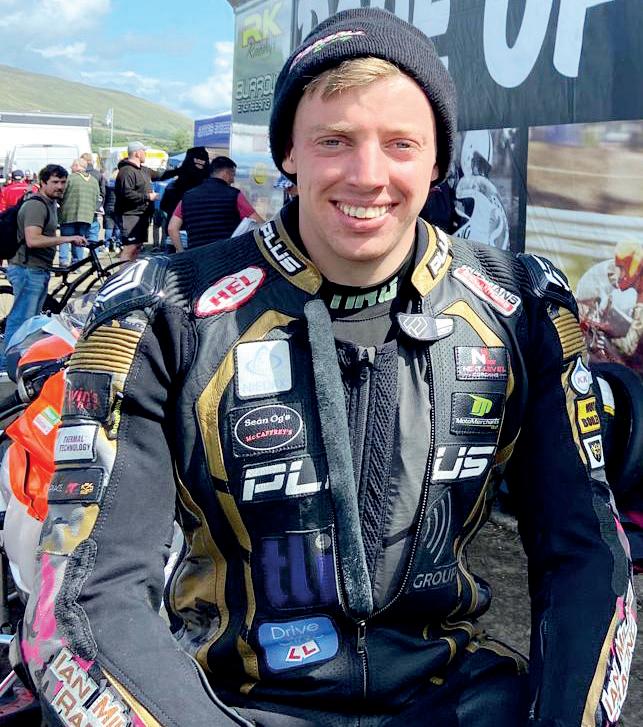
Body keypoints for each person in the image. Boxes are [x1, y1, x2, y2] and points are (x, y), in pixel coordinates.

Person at [21, 9, 634, 727]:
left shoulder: (522, 307)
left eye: (400, 143)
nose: (367, 176)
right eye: (334, 140)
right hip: (237, 705)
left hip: (455, 699)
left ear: (437, 160)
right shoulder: (160, 312)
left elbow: (586, 553)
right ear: (290, 151)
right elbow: (86, 598)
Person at [1, 165, 86, 368]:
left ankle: (21, 360)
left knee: (30, 320)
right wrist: (67, 238)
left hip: (37, 269)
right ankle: (6, 364)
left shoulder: (50, 203)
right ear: (43, 183)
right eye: (55, 182)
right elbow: (33, 240)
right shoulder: (36, 206)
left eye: (63, 182)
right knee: (21, 320)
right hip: (27, 269)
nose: (60, 186)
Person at [168, 155, 263, 251]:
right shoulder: (235, 195)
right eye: (233, 175)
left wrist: (181, 251)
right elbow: (258, 223)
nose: (233, 180)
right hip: (225, 255)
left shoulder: (187, 197)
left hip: (197, 256)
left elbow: (172, 228)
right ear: (226, 173)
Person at [113, 140, 157, 261]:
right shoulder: (126, 171)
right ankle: (123, 272)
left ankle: (131, 270)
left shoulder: (143, 170)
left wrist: (181, 170)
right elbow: (127, 194)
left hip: (141, 215)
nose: (145, 154)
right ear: (137, 153)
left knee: (136, 247)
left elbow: (161, 175)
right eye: (144, 151)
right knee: (130, 247)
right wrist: (147, 197)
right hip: (129, 215)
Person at [57, 158, 100, 266]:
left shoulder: (70, 178)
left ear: (77, 166)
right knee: (80, 239)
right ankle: (77, 263)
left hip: (68, 214)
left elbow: (60, 194)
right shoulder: (94, 180)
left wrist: (59, 203)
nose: (71, 167)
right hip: (87, 215)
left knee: (65, 238)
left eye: (72, 165)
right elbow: (97, 198)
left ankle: (63, 261)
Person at [80, 152, 106, 247]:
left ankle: (81, 251)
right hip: (93, 207)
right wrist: (99, 206)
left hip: (81, 207)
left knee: (80, 232)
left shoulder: (79, 174)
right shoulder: (98, 174)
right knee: (93, 232)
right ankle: (94, 251)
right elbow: (103, 192)